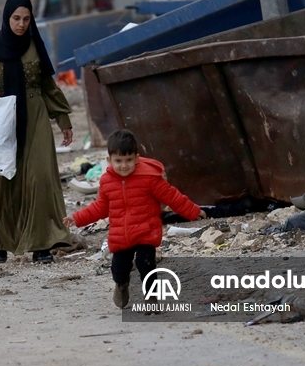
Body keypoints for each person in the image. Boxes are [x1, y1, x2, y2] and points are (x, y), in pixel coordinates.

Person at [0, 0, 74, 263]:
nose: (21, 24)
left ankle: (41, 243)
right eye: (16, 18)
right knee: (1, 180)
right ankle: (0, 240)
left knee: (39, 178)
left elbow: (47, 85)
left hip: (35, 117)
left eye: (26, 19)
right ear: (7, 18)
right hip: (1, 119)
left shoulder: (35, 46)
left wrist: (63, 120)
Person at [63, 129, 206, 308]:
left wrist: (193, 211)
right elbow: (100, 207)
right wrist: (77, 218)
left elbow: (172, 196)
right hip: (121, 236)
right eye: (118, 161)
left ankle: (151, 297)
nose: (124, 165)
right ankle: (122, 285)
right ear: (109, 160)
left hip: (146, 231)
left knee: (146, 265)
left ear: (137, 158)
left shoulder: (149, 177)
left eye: (129, 160)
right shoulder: (107, 181)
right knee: (119, 270)